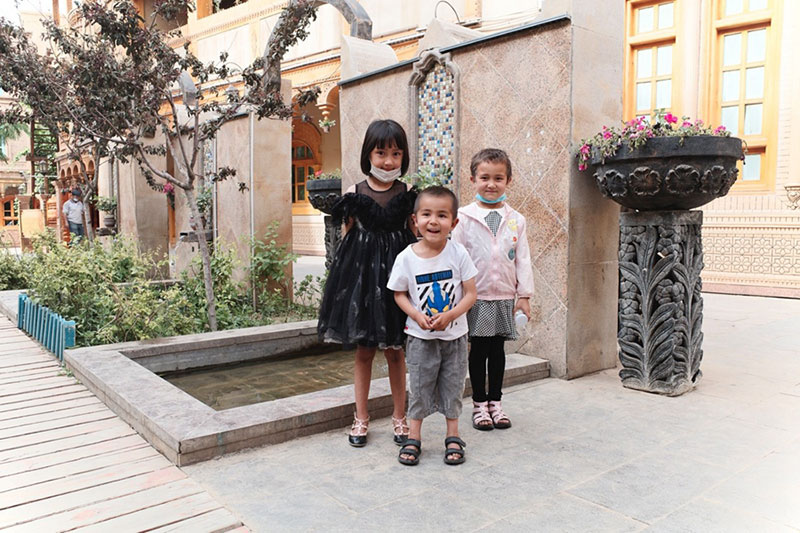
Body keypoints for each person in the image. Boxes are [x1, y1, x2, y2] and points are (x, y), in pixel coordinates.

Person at [317, 119, 418, 447]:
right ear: (368, 155)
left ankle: (400, 417)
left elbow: (416, 238)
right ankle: (360, 417)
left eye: (396, 153)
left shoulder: (407, 194)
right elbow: (347, 242)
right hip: (364, 284)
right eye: (381, 153)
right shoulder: (354, 194)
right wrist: (346, 290)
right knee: (364, 351)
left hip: (397, 284)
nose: (389, 161)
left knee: (395, 353)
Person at [388, 186, 478, 466]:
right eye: (426, 214)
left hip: (455, 338)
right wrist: (415, 315)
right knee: (419, 386)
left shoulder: (458, 253)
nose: (433, 221)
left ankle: (453, 435)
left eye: (442, 215)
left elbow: (471, 293)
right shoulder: (407, 257)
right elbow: (398, 293)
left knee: (452, 386)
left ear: (454, 223)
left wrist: (451, 315)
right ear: (415, 220)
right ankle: (414, 437)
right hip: (419, 338)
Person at [451, 148, 534, 431]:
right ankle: (478, 405)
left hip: (503, 296)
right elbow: (456, 258)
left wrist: (524, 296)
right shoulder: (463, 217)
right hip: (476, 296)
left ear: (508, 180)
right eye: (484, 177)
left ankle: (496, 404)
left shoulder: (516, 220)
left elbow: (523, 258)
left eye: (498, 178)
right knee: (478, 351)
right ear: (472, 178)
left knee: (497, 350)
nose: (491, 184)